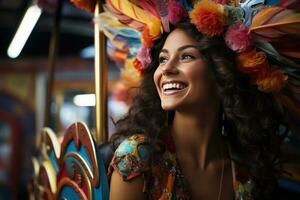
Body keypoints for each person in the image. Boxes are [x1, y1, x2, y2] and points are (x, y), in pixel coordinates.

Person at [103, 1, 300, 200]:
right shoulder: (138, 156)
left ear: (221, 71)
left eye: (186, 56)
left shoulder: (246, 167)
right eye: (163, 59)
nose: (166, 69)